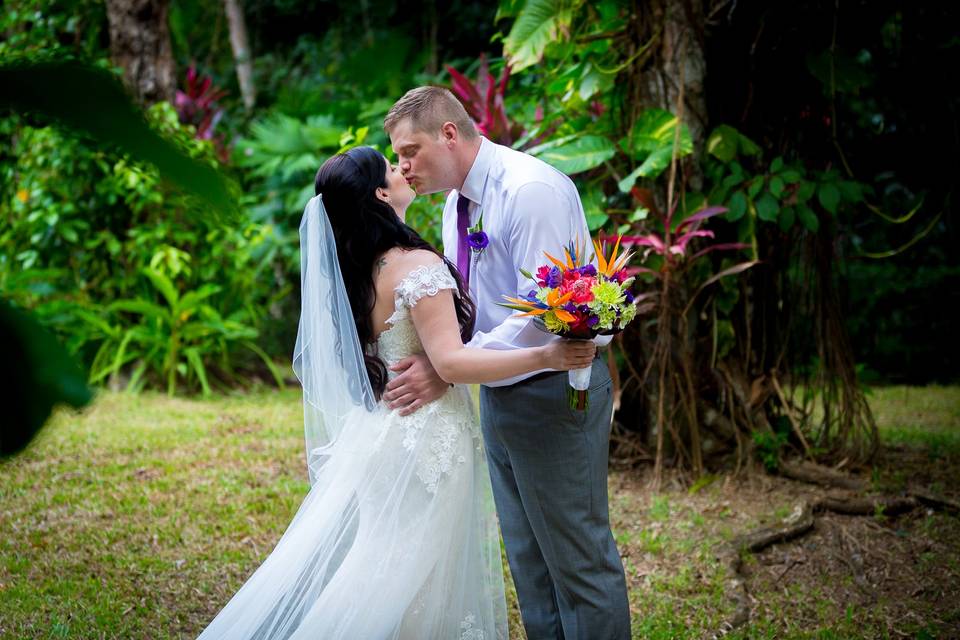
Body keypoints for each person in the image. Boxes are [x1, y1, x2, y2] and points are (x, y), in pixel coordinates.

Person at [196, 145, 596, 639]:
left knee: (391, 570)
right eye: (391, 166)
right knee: (407, 579)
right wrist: (546, 356)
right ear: (381, 194)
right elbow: (449, 362)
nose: (403, 168)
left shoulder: (361, 268)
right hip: (425, 442)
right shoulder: (414, 264)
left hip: (385, 434)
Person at [384, 86, 631, 640]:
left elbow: (543, 315)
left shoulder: (531, 190)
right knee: (529, 566)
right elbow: (470, 306)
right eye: (398, 157)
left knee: (580, 564)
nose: (403, 167)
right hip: (498, 395)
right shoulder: (456, 205)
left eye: (410, 151)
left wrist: (452, 364)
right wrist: (449, 358)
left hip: (555, 390)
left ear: (449, 134)